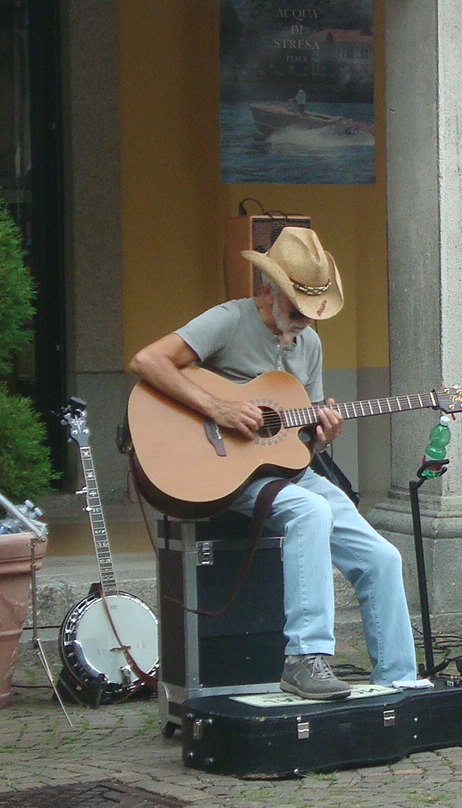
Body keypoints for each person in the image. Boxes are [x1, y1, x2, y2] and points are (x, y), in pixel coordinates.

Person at [129, 226, 418, 699]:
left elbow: (295, 440)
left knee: (383, 557)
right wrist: (218, 408)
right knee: (310, 511)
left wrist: (322, 437)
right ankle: (306, 658)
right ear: (268, 290)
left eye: (313, 310)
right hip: (223, 474)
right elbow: (148, 361)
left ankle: (399, 682)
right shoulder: (227, 320)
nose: (305, 319)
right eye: (297, 308)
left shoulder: (310, 346)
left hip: (284, 473)